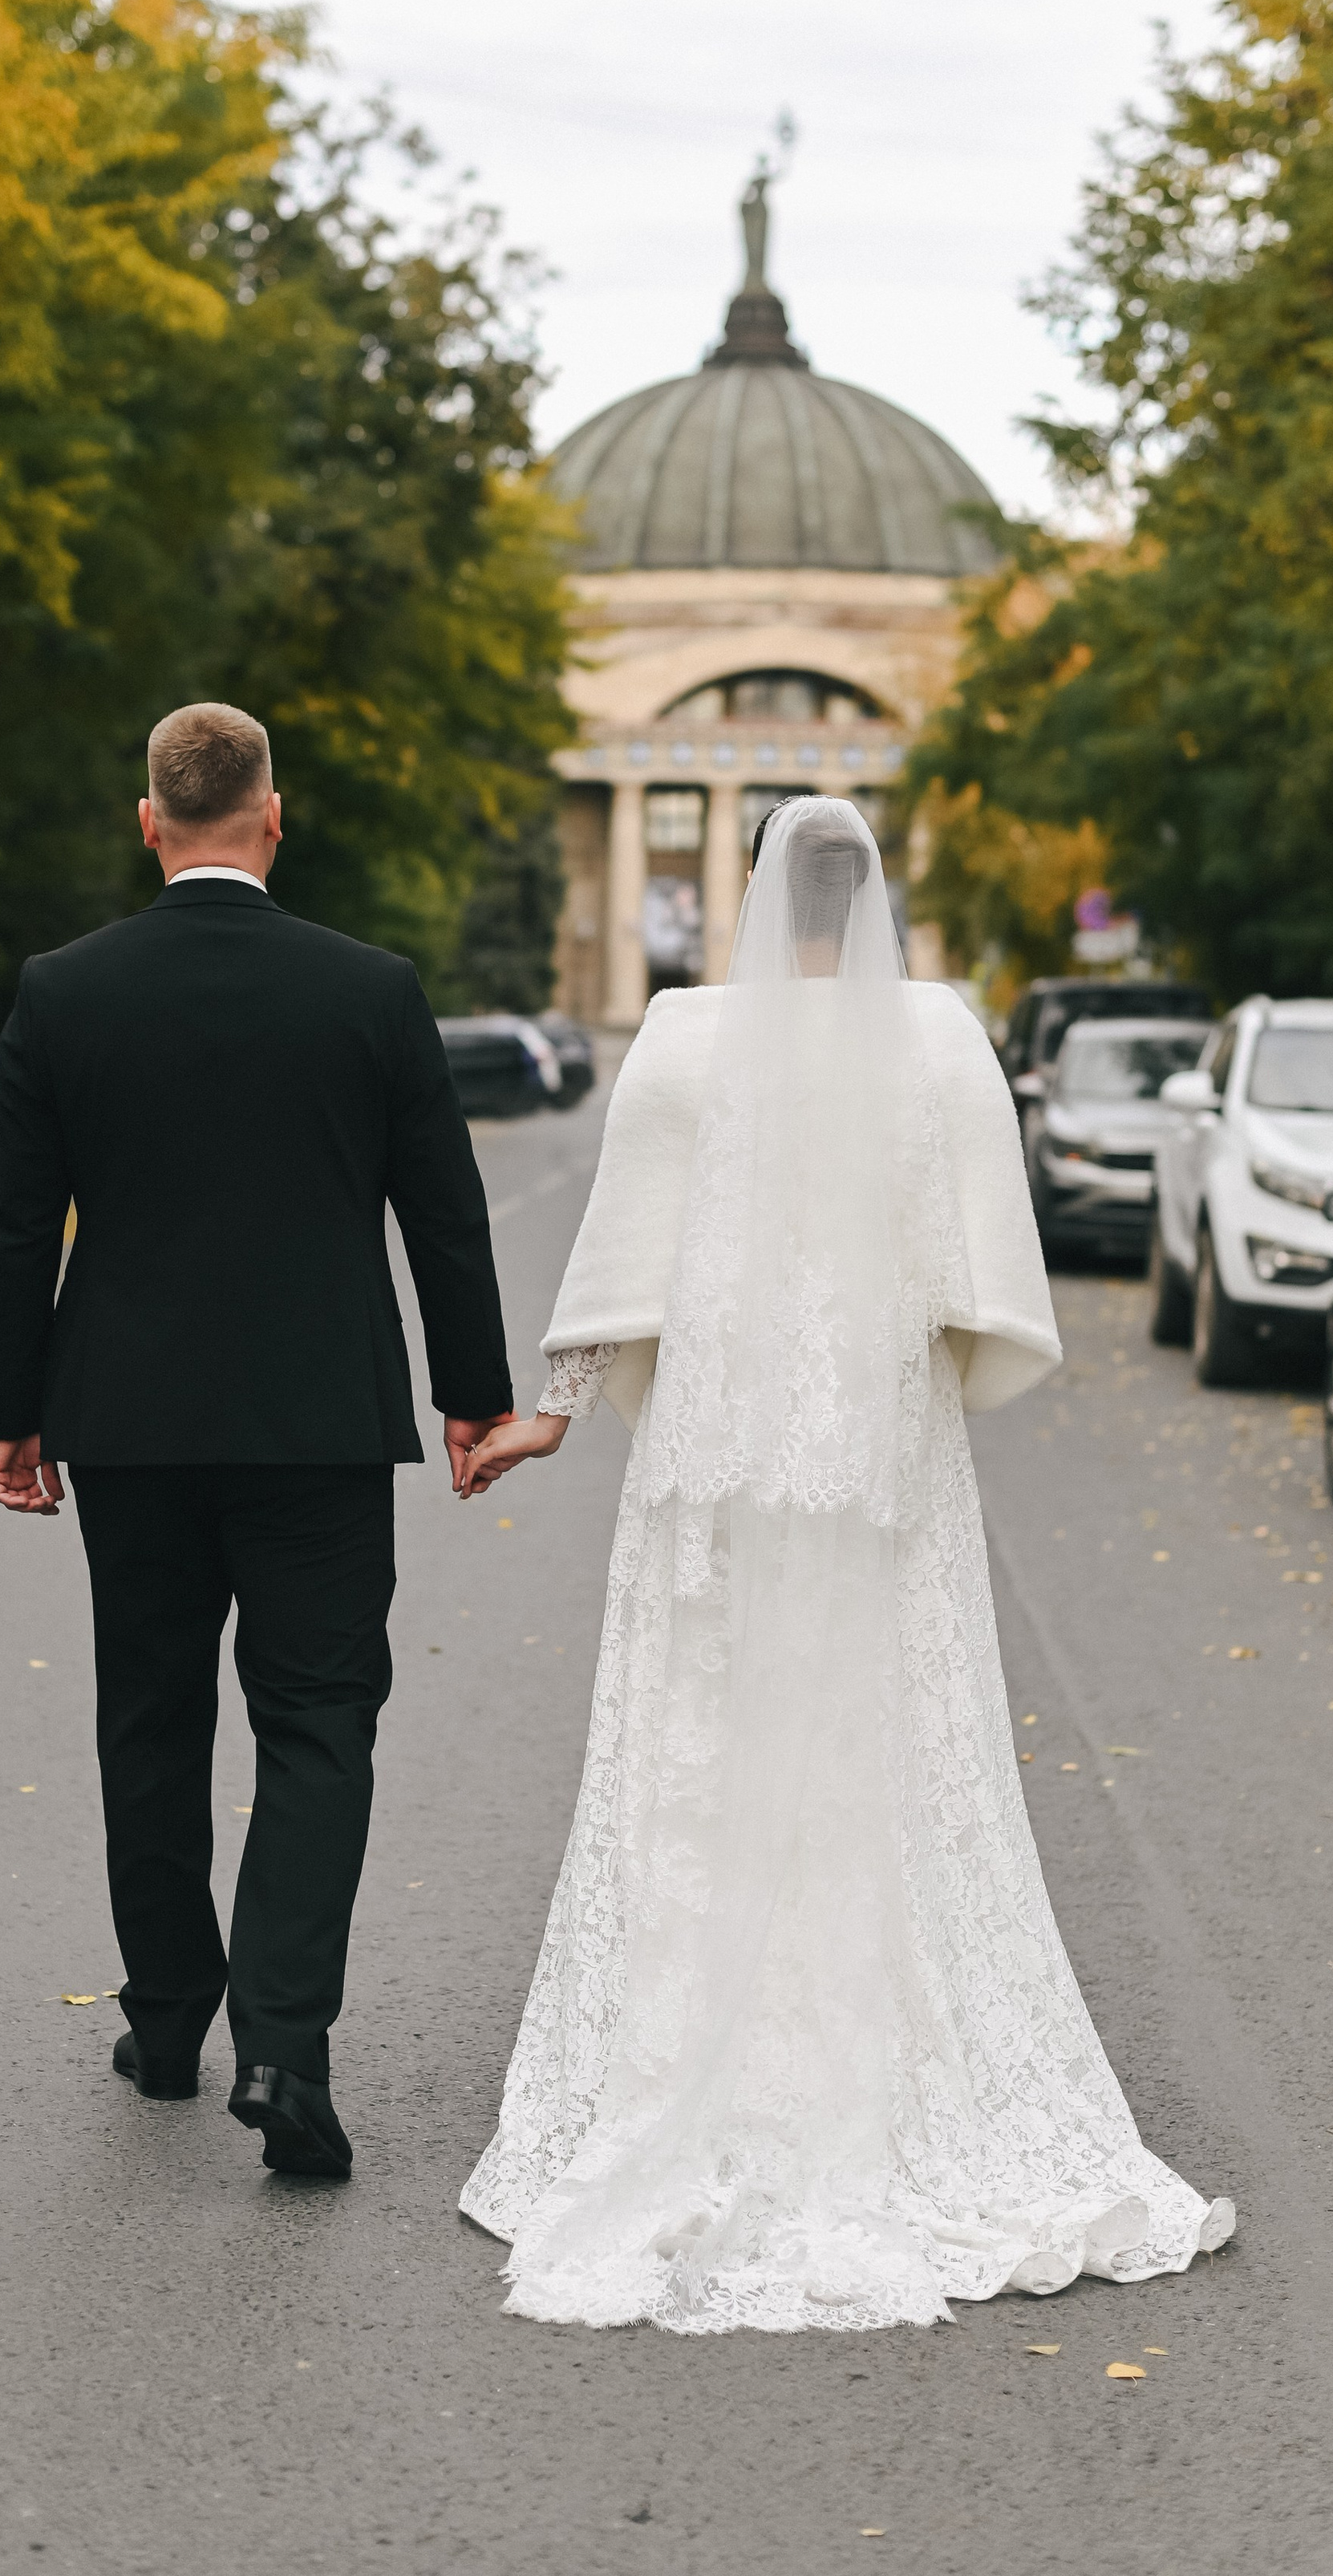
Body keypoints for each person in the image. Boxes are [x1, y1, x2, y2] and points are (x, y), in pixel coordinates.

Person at [454, 797, 1232, 2332]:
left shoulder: (680, 1038)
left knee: (701, 1749)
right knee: (880, 1745)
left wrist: (549, 1419)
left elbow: (629, 1256)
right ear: (876, 894)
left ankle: (692, 2085)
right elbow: (980, 1281)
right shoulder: (940, 1042)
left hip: (712, 1464)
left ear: (752, 891)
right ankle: (883, 2070)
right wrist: (899, 1369)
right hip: (879, 1456)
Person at [0, 702, 513, 2179]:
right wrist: (474, 1392)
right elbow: (442, 1211)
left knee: (150, 1715)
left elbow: (22, 1224)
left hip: (130, 1425)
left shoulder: (63, 993)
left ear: (149, 823)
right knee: (320, 1719)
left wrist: (8, 1414)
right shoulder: (370, 991)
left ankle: (163, 2026)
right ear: (274, 820)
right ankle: (284, 2046)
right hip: (319, 1426)